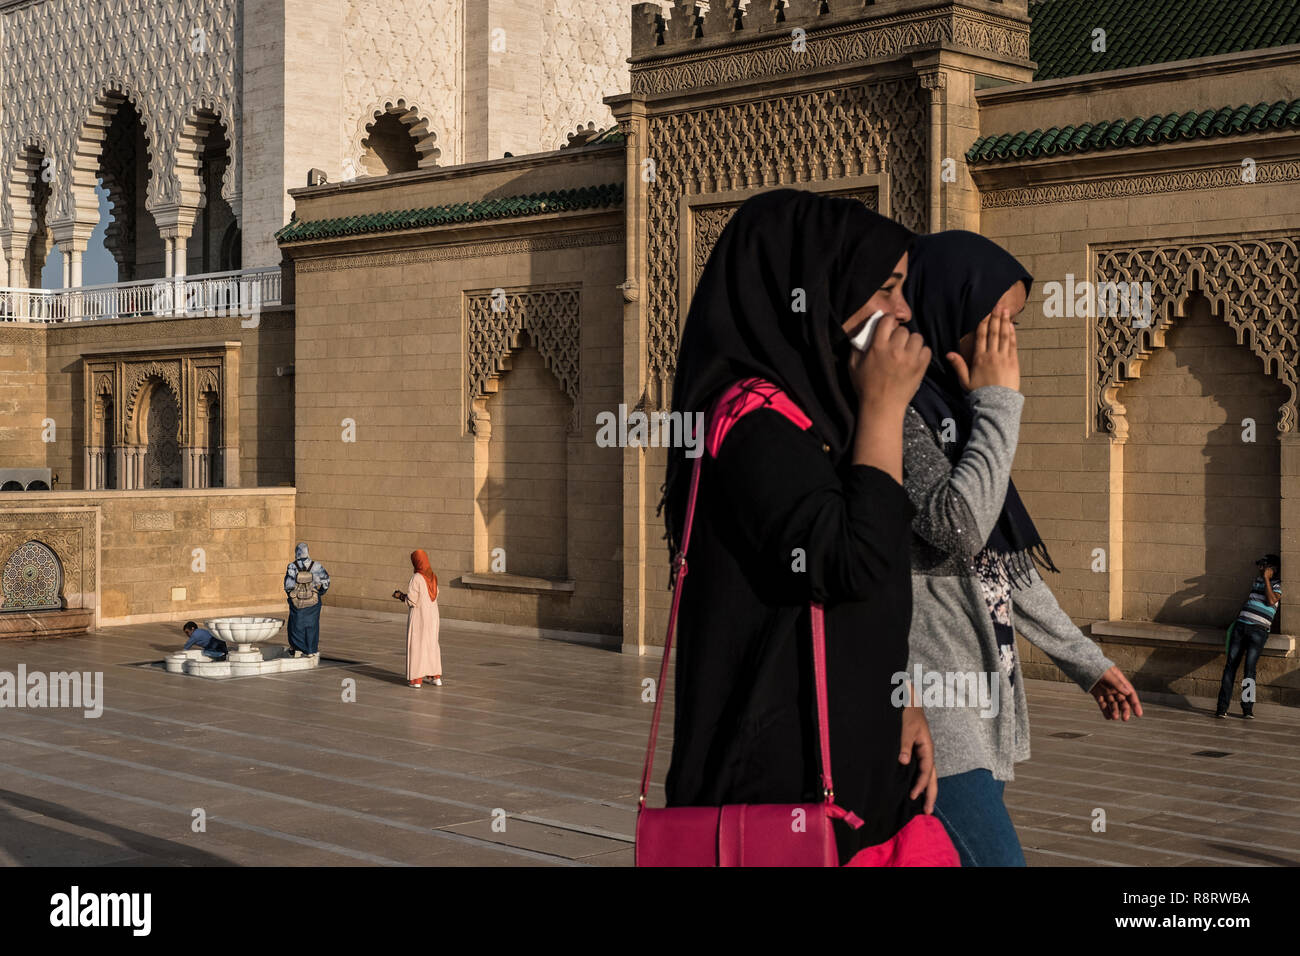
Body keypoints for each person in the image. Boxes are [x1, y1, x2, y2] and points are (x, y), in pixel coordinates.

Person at [659, 188, 958, 866]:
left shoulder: (816, 420)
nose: (904, 313)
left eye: (904, 289)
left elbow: (855, 593)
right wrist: (884, 407)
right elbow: (852, 559)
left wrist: (896, 699)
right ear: (815, 289)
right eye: (885, 288)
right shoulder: (750, 426)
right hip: (779, 794)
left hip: (849, 773)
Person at [900, 230, 1143, 867]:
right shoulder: (896, 414)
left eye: (1014, 322)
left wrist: (1087, 662)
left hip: (989, 707)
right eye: (994, 318)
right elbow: (959, 528)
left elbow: (1005, 570)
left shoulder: (962, 413)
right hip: (933, 711)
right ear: (947, 306)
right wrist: (1001, 403)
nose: (1005, 338)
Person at [1216, 554, 1281, 719]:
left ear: (1272, 569)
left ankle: (1247, 709)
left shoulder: (1278, 585)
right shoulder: (1257, 581)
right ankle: (1222, 707)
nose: (1260, 569)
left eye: (1263, 566)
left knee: (1249, 669)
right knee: (1230, 666)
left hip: (1258, 631)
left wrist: (1267, 579)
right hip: (1241, 627)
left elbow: (1271, 601)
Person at [393, 550, 442, 688]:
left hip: (420, 616)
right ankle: (435, 677)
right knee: (432, 644)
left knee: (417, 646)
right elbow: (436, 594)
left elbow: (412, 600)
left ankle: (416, 680)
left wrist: (400, 596)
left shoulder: (416, 578)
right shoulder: (433, 576)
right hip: (433, 615)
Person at [284, 542, 329, 657]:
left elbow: (288, 586)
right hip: (313, 602)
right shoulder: (317, 565)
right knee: (312, 626)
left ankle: (296, 648)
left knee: (295, 626)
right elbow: (326, 582)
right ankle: (310, 650)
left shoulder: (292, 566)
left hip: (298, 602)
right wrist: (319, 593)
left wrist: (293, 597)